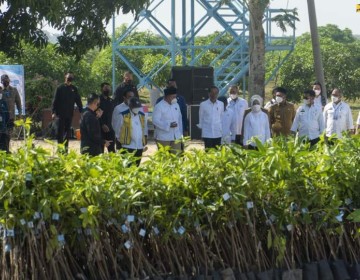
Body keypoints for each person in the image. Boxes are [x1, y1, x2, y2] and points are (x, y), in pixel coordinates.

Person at [52, 72, 83, 152]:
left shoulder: (74, 89)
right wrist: (53, 112)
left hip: (69, 114)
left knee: (67, 133)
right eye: (68, 76)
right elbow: (55, 101)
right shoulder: (60, 88)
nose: (70, 77)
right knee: (60, 132)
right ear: (65, 77)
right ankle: (60, 149)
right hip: (60, 114)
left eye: (71, 76)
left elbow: (78, 100)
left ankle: (65, 150)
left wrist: (81, 110)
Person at [116, 97, 147, 166]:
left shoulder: (142, 115)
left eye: (138, 107)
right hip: (127, 146)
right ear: (130, 106)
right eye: (135, 107)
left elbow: (144, 129)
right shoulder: (123, 115)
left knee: (136, 166)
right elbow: (117, 130)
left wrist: (144, 140)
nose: (137, 109)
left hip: (139, 146)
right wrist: (121, 141)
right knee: (127, 167)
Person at [152, 86, 183, 154]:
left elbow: (179, 119)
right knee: (164, 158)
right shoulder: (159, 106)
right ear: (167, 96)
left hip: (176, 136)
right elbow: (155, 120)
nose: (175, 99)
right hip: (163, 137)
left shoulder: (176, 105)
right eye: (173, 97)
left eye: (175, 97)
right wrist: (168, 125)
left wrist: (181, 133)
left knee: (176, 157)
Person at [0, 74, 22, 152]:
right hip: (1, 117)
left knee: (9, 133)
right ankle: (2, 149)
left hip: (11, 116)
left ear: (9, 81)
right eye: (4, 81)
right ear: (1, 82)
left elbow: (18, 103)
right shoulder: (0, 90)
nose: (6, 82)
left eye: (7, 81)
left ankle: (7, 149)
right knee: (2, 133)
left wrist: (19, 114)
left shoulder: (14, 90)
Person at [98, 82, 115, 153]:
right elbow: (96, 114)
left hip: (110, 128)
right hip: (100, 128)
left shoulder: (111, 101)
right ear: (101, 89)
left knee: (112, 150)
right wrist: (102, 124)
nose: (107, 89)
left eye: (108, 88)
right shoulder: (98, 100)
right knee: (100, 151)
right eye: (105, 88)